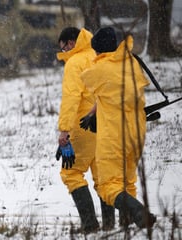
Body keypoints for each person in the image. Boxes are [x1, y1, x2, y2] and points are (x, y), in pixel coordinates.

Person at [80, 27, 156, 228]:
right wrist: (94, 112)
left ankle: (140, 213)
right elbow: (113, 92)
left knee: (108, 186)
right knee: (127, 182)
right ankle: (127, 227)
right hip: (136, 134)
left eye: (96, 51)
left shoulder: (99, 69)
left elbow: (93, 83)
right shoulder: (130, 63)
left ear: (99, 50)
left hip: (114, 136)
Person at [55, 27, 115, 233]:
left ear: (71, 43)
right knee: (103, 177)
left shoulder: (74, 63)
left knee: (71, 172)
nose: (63, 53)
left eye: (63, 47)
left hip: (83, 125)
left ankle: (90, 224)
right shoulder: (97, 55)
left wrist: (64, 129)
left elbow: (71, 98)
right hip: (105, 123)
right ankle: (110, 224)